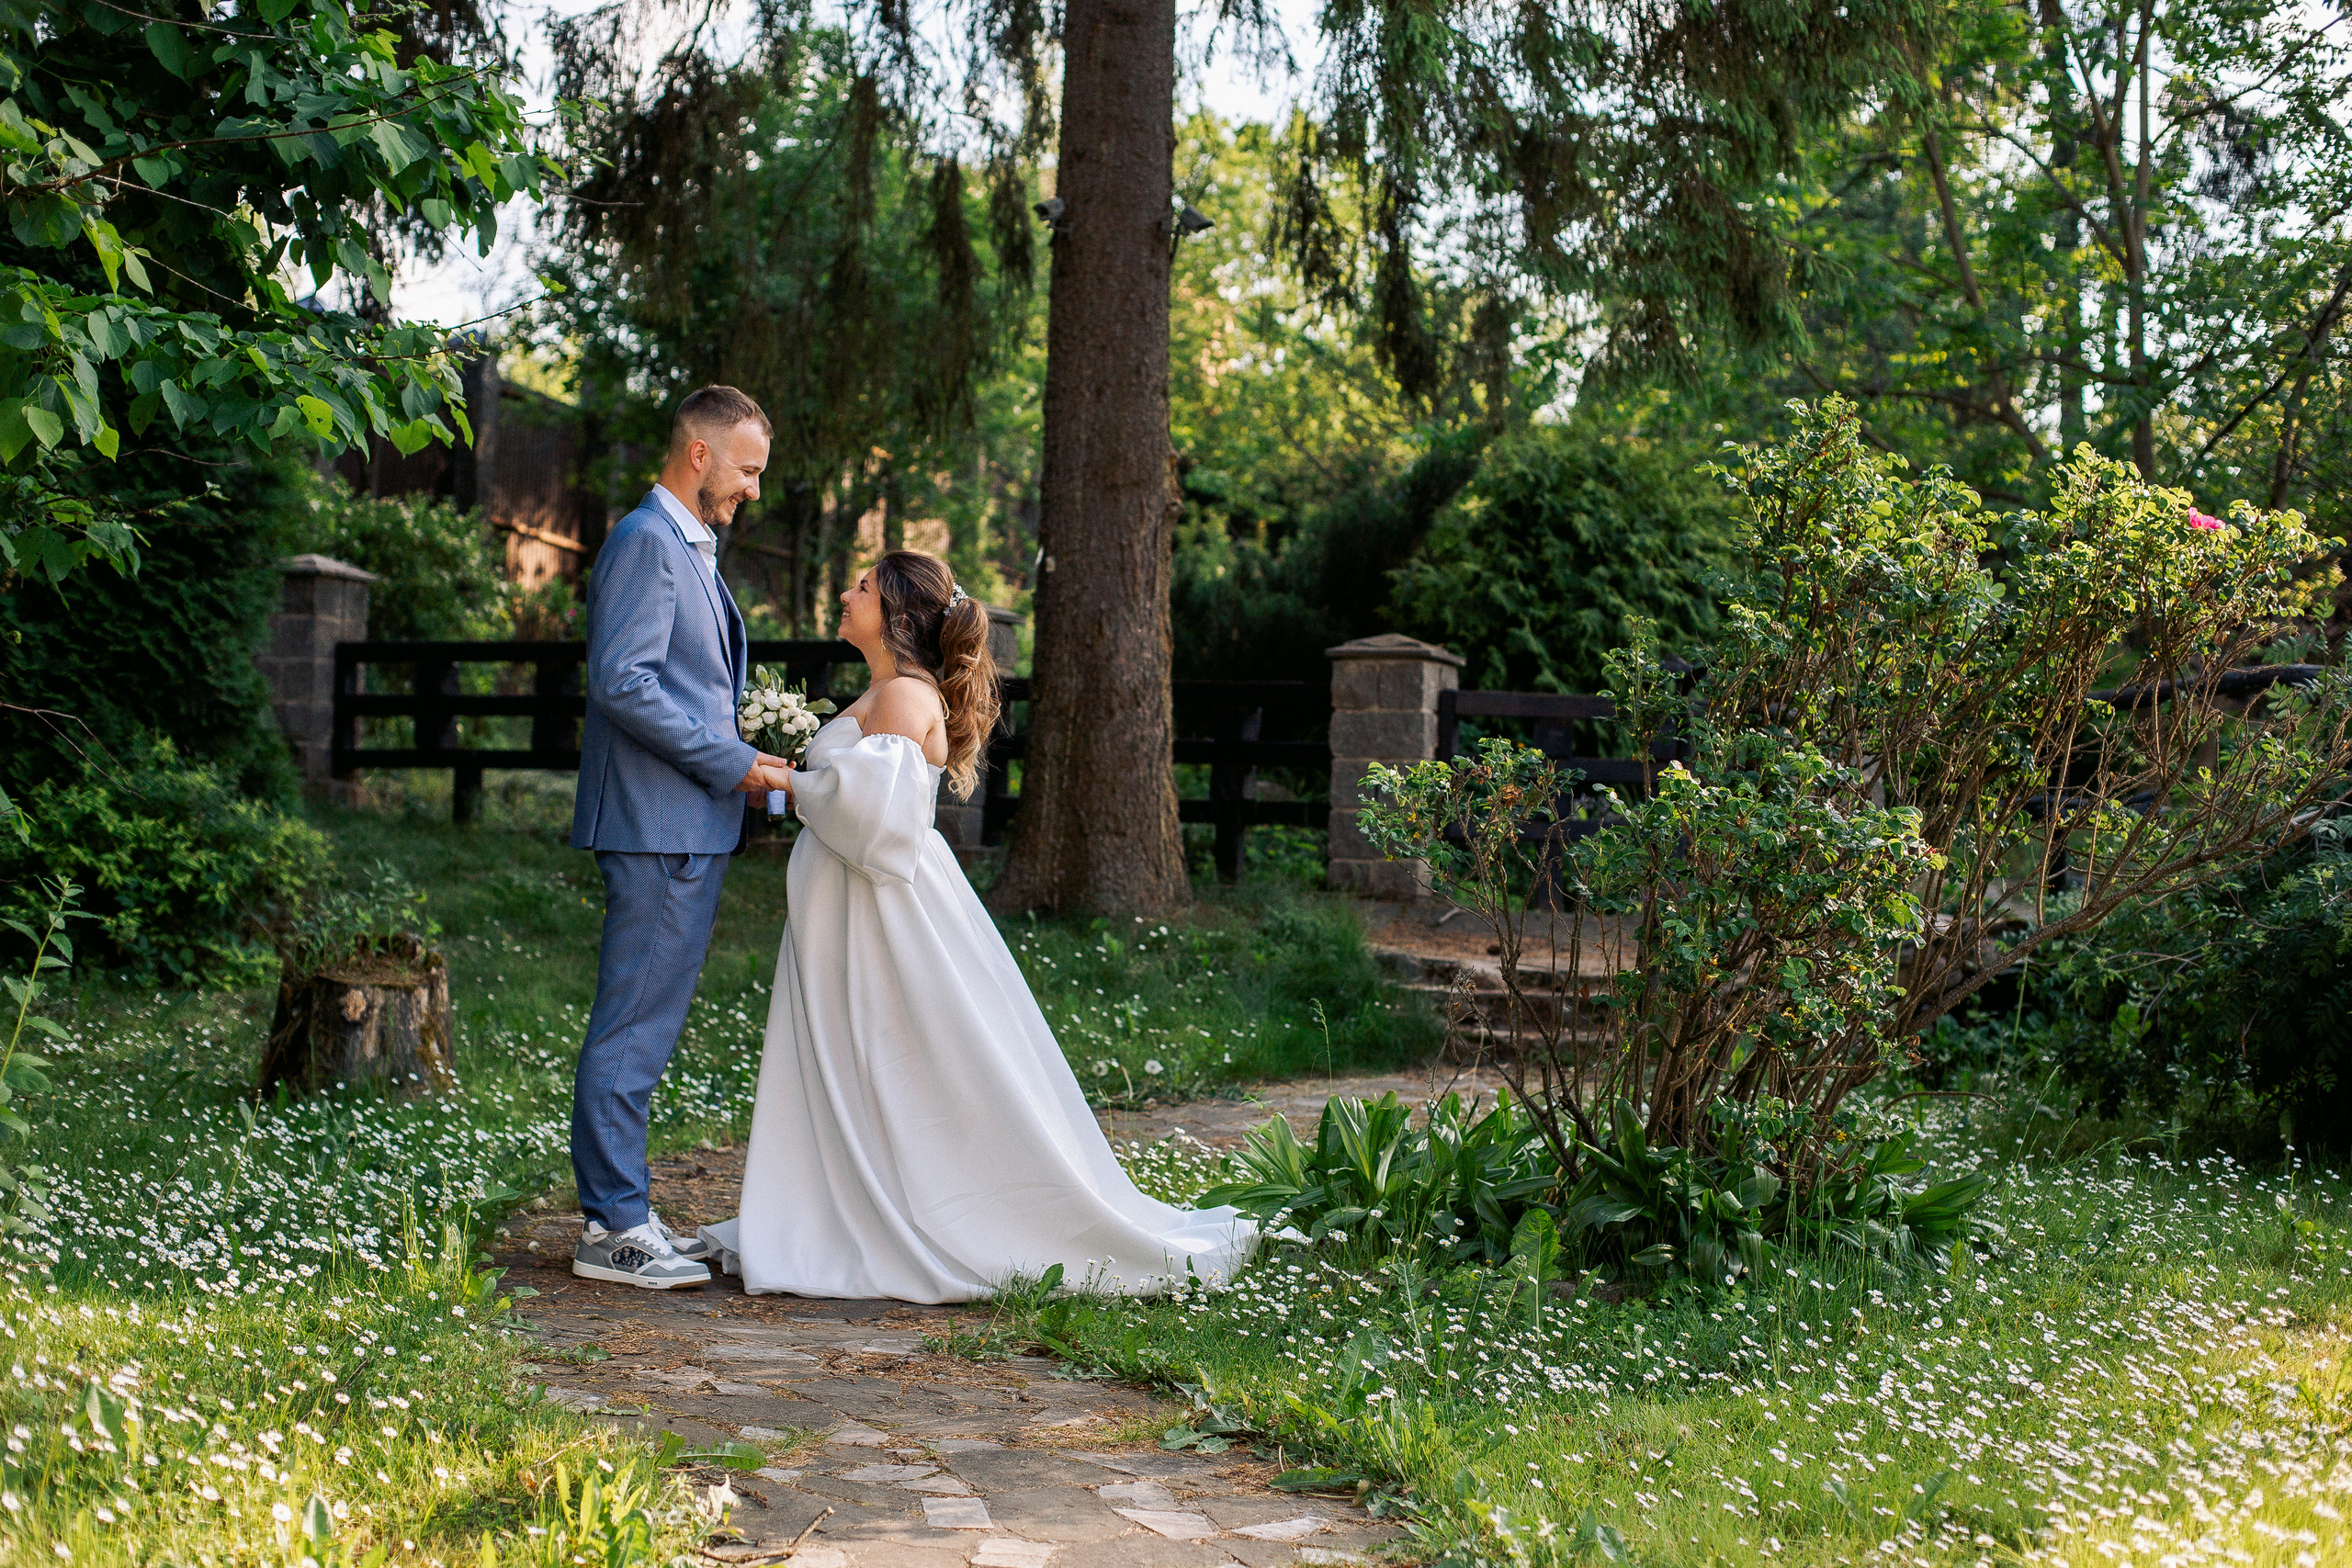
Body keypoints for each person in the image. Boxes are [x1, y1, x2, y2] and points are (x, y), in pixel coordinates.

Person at [698, 550, 1254, 1302]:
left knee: (895, 1056)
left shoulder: (902, 696)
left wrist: (785, 780)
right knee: (857, 1057)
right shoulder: (888, 689)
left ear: (897, 614)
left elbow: (878, 818)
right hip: (852, 909)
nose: (843, 591)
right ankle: (840, 1203)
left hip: (881, 914)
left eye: (860, 586)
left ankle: (904, 1208)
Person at [568, 386, 794, 1289]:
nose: (753, 490)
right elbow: (622, 683)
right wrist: (731, 762)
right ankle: (612, 1229)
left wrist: (740, 761)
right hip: (658, 825)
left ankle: (625, 1210)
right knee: (631, 1029)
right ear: (699, 455)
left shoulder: (688, 546)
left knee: (644, 1028)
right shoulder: (647, 542)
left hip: (683, 826)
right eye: (747, 470)